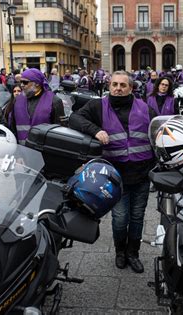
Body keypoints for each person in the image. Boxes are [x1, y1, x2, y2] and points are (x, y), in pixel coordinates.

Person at [69, 70, 157, 273]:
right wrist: (95, 130)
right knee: (120, 218)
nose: (118, 88)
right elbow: (75, 118)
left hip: (142, 174)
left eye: (122, 85)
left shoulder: (145, 108)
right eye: (114, 84)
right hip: (115, 177)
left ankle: (133, 253)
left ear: (131, 88)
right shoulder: (98, 105)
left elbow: (157, 134)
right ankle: (120, 252)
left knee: (137, 217)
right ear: (109, 86)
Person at [9, 68, 65, 144]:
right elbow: (12, 127)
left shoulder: (54, 101)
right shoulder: (17, 100)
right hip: (22, 151)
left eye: (25, 82)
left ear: (37, 83)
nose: (21, 85)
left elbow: (59, 132)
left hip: (44, 152)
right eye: (21, 82)